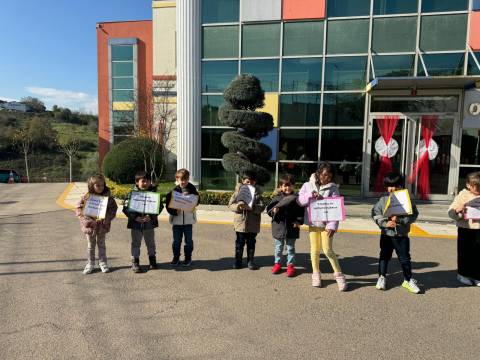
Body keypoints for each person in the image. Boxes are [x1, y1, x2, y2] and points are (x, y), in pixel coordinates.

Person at [298, 162, 348, 291]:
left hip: (326, 226)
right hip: (313, 224)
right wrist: (311, 195)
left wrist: (332, 226)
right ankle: (316, 274)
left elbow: (335, 209)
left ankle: (339, 275)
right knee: (314, 250)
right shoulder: (307, 185)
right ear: (319, 173)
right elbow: (300, 201)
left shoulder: (333, 188)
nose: (326, 178)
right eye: (324, 174)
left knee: (327, 250)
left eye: (329, 176)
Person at [371, 172, 420, 293]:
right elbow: (375, 213)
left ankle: (408, 280)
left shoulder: (406, 200)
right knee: (384, 256)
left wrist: (400, 220)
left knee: (405, 258)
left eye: (396, 185)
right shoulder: (383, 200)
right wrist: (384, 223)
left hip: (401, 235)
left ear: (401, 185)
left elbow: (414, 214)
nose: (392, 188)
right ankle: (382, 277)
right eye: (389, 186)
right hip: (386, 234)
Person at [76, 174, 117, 274]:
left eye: (102, 185)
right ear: (91, 186)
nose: (100, 187)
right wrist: (87, 221)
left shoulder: (108, 198)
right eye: (97, 185)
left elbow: (113, 209)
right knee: (90, 245)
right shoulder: (86, 197)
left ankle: (103, 263)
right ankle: (90, 264)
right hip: (90, 227)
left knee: (102, 245)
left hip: (102, 226)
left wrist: (106, 219)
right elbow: (79, 209)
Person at [123, 171, 162, 273]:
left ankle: (152, 260)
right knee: (135, 244)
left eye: (148, 181)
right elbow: (126, 208)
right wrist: (134, 217)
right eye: (143, 181)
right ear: (137, 182)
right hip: (135, 224)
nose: (145, 183)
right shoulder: (131, 194)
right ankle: (135, 262)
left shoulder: (154, 194)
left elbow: (160, 207)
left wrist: (151, 216)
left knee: (151, 243)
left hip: (149, 224)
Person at [266, 174, 304, 277]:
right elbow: (269, 211)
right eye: (285, 185)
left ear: (293, 186)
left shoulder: (297, 199)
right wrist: (274, 211)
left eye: (290, 185)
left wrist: (298, 221)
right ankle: (277, 264)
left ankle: (290, 265)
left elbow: (301, 212)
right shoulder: (276, 198)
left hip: (292, 228)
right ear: (281, 187)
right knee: (278, 248)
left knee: (290, 248)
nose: (287, 187)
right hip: (279, 228)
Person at [448, 171, 480, 286]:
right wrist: (458, 211)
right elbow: (451, 213)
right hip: (465, 228)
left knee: (478, 253)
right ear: (468, 185)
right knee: (464, 252)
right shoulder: (462, 195)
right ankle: (463, 274)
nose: (478, 189)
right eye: (476, 187)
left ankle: (477, 276)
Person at [228, 171, 265, 270]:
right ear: (243, 181)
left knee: (251, 243)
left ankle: (250, 261)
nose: (249, 184)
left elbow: (262, 207)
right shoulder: (237, 192)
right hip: (240, 224)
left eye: (252, 182)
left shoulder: (257, 193)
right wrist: (239, 207)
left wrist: (252, 207)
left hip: (253, 224)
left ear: (255, 182)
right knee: (239, 243)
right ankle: (238, 261)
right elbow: (230, 205)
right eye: (247, 181)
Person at [165, 168, 199, 267]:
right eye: (181, 179)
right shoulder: (173, 191)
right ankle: (176, 257)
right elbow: (168, 206)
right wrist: (175, 211)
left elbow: (197, 201)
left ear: (188, 179)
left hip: (188, 221)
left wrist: (190, 197)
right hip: (176, 221)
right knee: (176, 241)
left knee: (188, 242)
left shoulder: (192, 190)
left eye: (186, 179)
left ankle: (188, 257)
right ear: (177, 179)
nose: (184, 181)